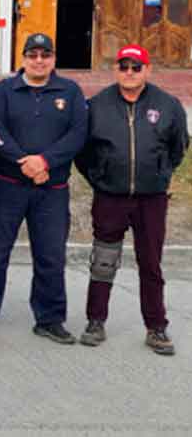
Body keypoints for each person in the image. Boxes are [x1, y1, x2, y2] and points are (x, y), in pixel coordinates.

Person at [0, 33, 87, 343]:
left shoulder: (70, 91)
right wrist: (24, 160)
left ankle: (49, 319)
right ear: (22, 58)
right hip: (9, 186)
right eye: (32, 55)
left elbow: (77, 133)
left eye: (44, 55)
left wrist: (45, 161)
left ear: (53, 59)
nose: (38, 60)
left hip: (52, 188)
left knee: (50, 255)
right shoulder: (5, 90)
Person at [75, 44, 188, 355]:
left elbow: (179, 146)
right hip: (110, 196)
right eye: (123, 66)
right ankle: (95, 321)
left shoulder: (168, 105)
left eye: (136, 67)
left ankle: (156, 327)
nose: (129, 73)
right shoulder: (96, 106)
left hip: (151, 200)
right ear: (115, 70)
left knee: (150, 264)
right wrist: (100, 178)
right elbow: (83, 152)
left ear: (147, 70)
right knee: (103, 260)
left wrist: (161, 176)